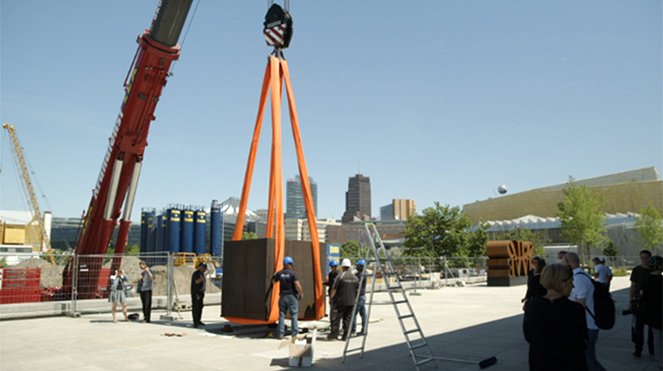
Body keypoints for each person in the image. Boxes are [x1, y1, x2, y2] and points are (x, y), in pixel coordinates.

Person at [523, 263, 588, 371]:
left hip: (540, 361)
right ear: (562, 283)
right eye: (571, 281)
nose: (573, 285)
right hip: (569, 362)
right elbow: (582, 340)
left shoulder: (531, 306)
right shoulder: (574, 309)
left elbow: (528, 335)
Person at [565, 252, 606, 371]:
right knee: (585, 360)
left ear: (569, 262)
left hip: (586, 327)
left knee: (588, 362)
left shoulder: (579, 279)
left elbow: (579, 305)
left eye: (563, 261)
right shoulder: (580, 275)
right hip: (586, 326)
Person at [629, 249, 654, 358]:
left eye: (646, 257)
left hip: (652, 303)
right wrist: (631, 301)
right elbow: (633, 286)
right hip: (640, 303)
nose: (644, 260)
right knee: (638, 328)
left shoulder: (654, 270)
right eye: (642, 257)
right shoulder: (637, 270)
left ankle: (652, 348)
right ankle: (638, 349)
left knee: (652, 329)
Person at [272, 256, 303, 339]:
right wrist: (301, 293)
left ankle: (280, 334)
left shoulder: (280, 273)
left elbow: (274, 282)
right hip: (291, 296)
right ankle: (294, 334)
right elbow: (297, 285)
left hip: (282, 296)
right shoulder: (292, 274)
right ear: (289, 264)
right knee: (294, 315)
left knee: (281, 315)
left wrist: (274, 276)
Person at [328, 258, 359, 341]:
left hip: (340, 302)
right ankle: (345, 336)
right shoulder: (355, 278)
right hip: (351, 302)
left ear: (342, 267)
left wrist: (331, 298)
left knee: (336, 318)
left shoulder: (340, 276)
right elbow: (357, 290)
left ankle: (334, 335)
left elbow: (334, 289)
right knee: (347, 319)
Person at [640, 255, 662, 368]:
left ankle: (660, 360)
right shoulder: (661, 280)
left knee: (657, 337)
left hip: (652, 312)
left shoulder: (645, 280)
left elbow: (642, 295)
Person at [351, 259, 367, 336]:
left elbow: (358, 285)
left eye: (358, 265)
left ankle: (353, 330)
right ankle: (364, 330)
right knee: (363, 314)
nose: (356, 267)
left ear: (361, 266)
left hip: (359, 296)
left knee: (354, 313)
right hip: (362, 296)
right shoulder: (360, 274)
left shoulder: (361, 275)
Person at [323, 260, 339, 331]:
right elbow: (330, 283)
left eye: (335, 267)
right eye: (332, 267)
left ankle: (336, 326)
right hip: (331, 295)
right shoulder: (330, 274)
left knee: (337, 312)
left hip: (337, 295)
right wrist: (323, 283)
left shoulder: (338, 275)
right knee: (332, 311)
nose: (334, 268)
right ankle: (332, 325)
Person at [191, 262, 207, 328]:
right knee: (196, 307)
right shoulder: (196, 273)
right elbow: (196, 282)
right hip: (196, 293)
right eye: (203, 268)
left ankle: (198, 320)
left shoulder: (202, 274)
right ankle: (195, 322)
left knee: (200, 307)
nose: (205, 269)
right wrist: (201, 279)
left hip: (201, 293)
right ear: (200, 267)